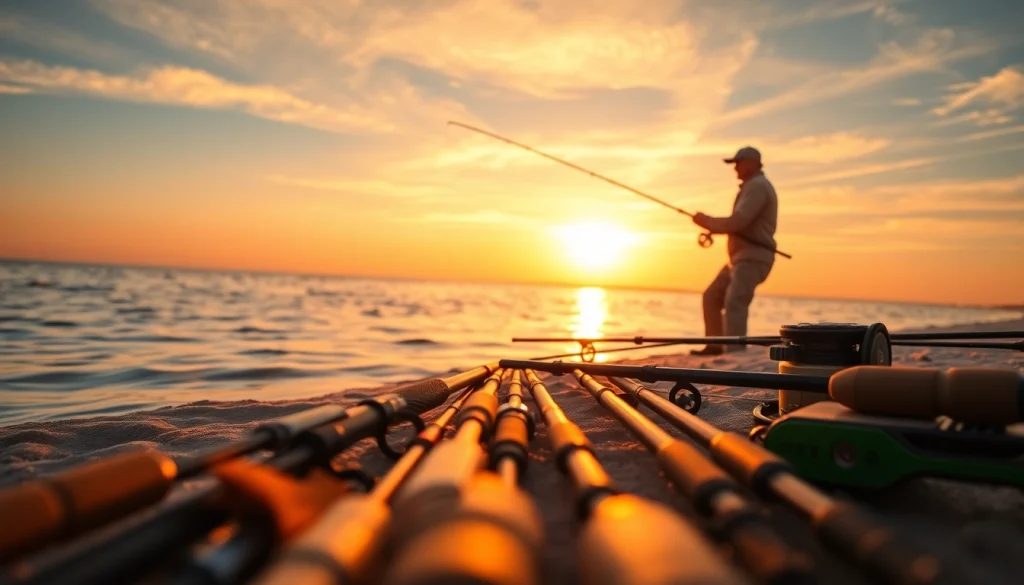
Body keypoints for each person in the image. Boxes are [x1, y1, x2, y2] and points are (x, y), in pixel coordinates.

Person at [690, 146, 778, 356]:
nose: (735, 168)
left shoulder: (758, 187)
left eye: (738, 163)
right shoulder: (752, 186)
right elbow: (739, 224)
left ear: (752, 163)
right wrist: (712, 226)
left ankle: (734, 352)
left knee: (735, 301)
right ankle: (715, 346)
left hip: (752, 258)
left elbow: (738, 222)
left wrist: (707, 222)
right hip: (738, 259)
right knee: (711, 296)